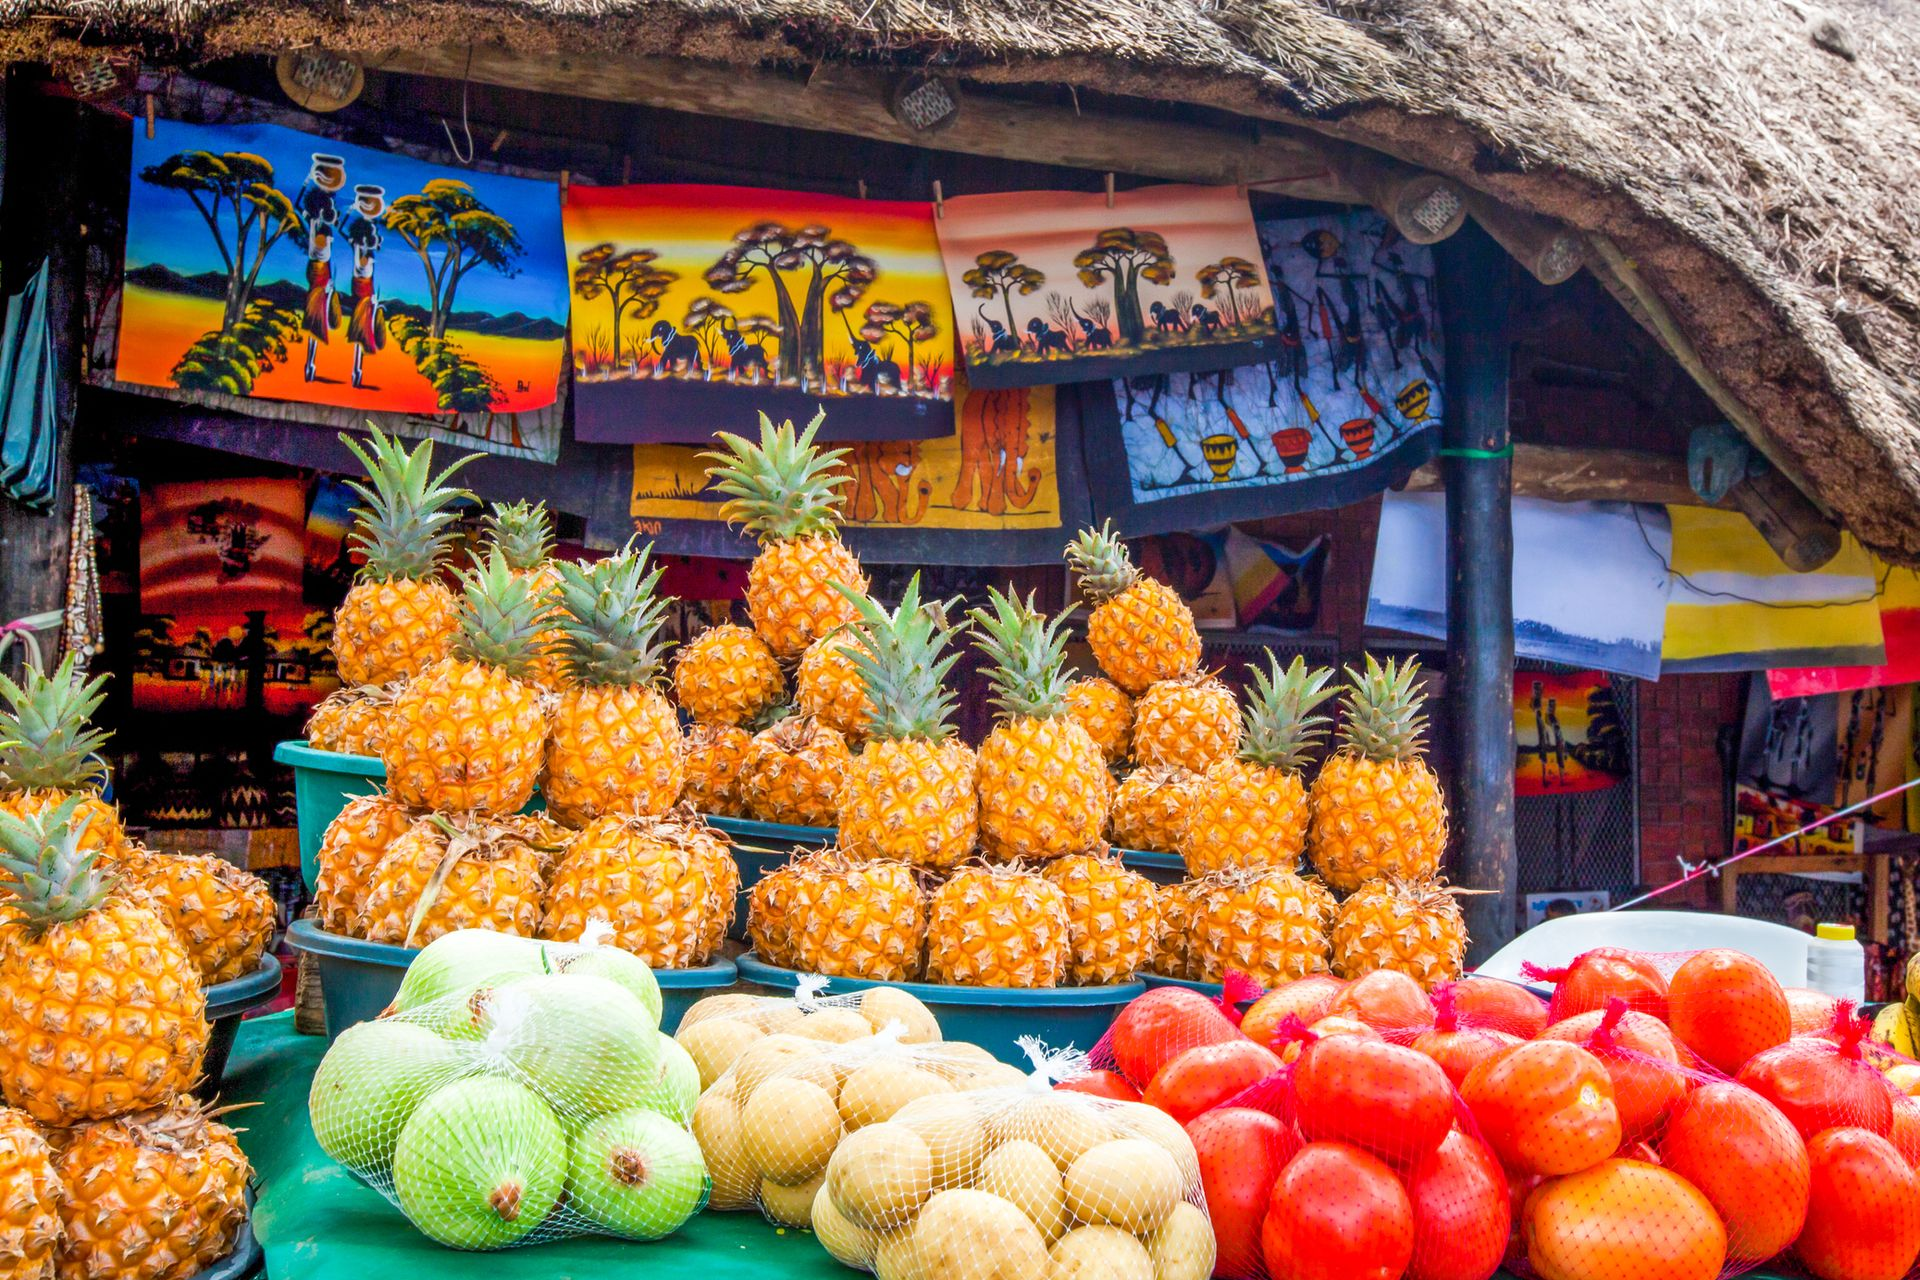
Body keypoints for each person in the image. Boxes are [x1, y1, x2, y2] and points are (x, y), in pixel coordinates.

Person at [295, 154, 346, 382]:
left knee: (321, 318)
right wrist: (307, 179)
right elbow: (297, 205)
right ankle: (309, 364)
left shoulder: (327, 224)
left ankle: (311, 363)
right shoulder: (315, 222)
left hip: (325, 271)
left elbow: (339, 224)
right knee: (316, 318)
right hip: (317, 271)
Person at [342, 185, 388, 390]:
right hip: (363, 296)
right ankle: (355, 371)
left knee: (362, 336)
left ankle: (357, 370)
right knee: (362, 336)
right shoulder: (364, 253)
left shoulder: (360, 249)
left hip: (363, 294)